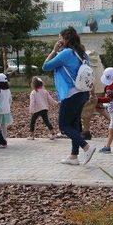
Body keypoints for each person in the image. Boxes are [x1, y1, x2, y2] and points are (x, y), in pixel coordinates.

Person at [42, 26, 96, 165]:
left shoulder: (65, 53)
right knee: (75, 125)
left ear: (65, 39)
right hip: (83, 93)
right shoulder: (83, 54)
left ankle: (87, 147)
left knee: (64, 126)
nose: (58, 40)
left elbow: (46, 66)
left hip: (70, 94)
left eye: (60, 38)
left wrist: (54, 51)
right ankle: (73, 156)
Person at [0, 73, 13, 144]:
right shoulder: (8, 90)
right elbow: (10, 100)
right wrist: (8, 106)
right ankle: (4, 139)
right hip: (6, 110)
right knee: (4, 126)